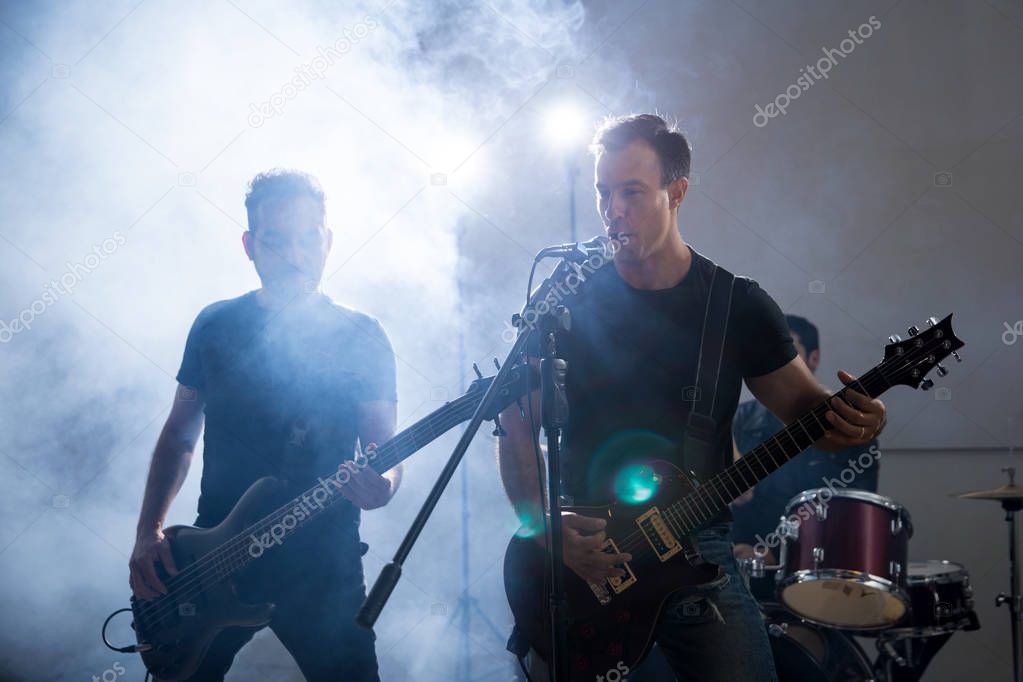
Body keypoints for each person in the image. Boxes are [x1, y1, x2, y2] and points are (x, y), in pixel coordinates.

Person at [496, 114, 886, 682]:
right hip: (582, 554)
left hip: (695, 552)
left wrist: (862, 418)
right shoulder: (565, 303)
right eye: (604, 192)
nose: (613, 210)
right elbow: (513, 421)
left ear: (676, 192)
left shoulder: (736, 306)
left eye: (632, 191)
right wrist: (545, 526)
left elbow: (812, 415)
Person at [128, 169, 400, 681]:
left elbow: (385, 446)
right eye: (275, 242)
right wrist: (149, 532)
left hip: (324, 566)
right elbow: (179, 435)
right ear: (249, 245)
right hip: (214, 558)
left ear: (328, 240)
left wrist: (382, 486)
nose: (295, 257)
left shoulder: (363, 336)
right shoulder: (215, 325)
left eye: (308, 239)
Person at [731, 314, 880, 568]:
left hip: (818, 570)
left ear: (814, 358)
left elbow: (852, 513)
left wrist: (776, 553)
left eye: (788, 352)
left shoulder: (847, 426)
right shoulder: (740, 420)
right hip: (742, 565)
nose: (776, 361)